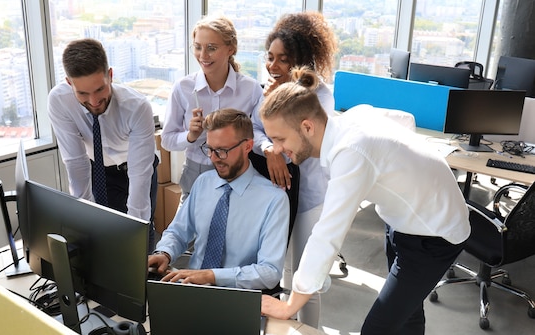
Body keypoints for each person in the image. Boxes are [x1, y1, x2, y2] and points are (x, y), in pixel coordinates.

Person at [259, 67, 471, 335]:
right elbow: (405, 119)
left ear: (307, 126)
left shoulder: (351, 152)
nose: (277, 149)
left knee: (378, 329)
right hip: (401, 220)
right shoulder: (352, 116)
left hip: (434, 233)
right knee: (407, 312)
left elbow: (327, 234)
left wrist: (291, 305)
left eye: (279, 139)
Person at [251, 11, 338, 327]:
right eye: (270, 57)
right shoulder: (269, 87)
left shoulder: (320, 95)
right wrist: (268, 147)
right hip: (277, 194)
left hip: (310, 198)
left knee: (305, 278)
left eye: (282, 59)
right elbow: (253, 129)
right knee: (273, 273)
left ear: (299, 60)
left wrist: (279, 145)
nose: (273, 66)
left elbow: (301, 146)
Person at [149, 108, 290, 290]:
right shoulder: (203, 183)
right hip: (191, 288)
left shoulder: (274, 200)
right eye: (210, 149)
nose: (214, 159)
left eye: (222, 151)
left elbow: (269, 272)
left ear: (247, 146)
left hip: (237, 297)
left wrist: (211, 276)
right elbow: (178, 231)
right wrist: (164, 253)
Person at [47, 38, 158, 252]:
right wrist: (83, 221)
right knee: (100, 230)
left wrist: (135, 236)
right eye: (83, 93)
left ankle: (143, 279)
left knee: (142, 227)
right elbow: (76, 162)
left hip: (137, 167)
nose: (94, 100)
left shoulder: (137, 107)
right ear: (70, 83)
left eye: (99, 89)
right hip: (98, 169)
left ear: (110, 75)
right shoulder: (59, 101)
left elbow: (139, 176)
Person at [160, 15, 263, 201]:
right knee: (187, 228)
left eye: (211, 48)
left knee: (231, 228)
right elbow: (166, 140)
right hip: (195, 172)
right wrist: (190, 136)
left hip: (237, 174)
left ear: (230, 49)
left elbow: (256, 134)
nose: (203, 55)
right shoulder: (182, 88)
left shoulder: (251, 89)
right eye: (198, 47)